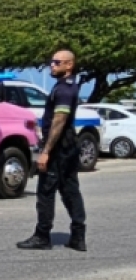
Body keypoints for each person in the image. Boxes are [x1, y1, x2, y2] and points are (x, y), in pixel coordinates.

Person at [18, 50, 87, 252]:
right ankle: (78, 236)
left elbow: (59, 121)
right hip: (68, 147)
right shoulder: (67, 87)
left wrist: (46, 151)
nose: (52, 65)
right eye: (51, 62)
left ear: (69, 66)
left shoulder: (64, 90)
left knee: (46, 192)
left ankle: (42, 236)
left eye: (57, 62)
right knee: (70, 191)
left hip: (58, 149)